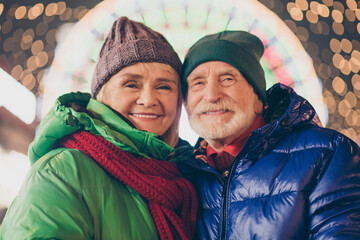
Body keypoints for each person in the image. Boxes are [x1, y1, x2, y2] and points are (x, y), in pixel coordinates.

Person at [0, 17, 197, 240]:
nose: (149, 99)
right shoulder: (62, 173)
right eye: (131, 84)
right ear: (102, 95)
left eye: (164, 86)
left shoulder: (186, 175)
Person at [178, 30, 360, 239]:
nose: (211, 96)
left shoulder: (328, 155)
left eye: (227, 79)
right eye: (198, 83)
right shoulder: (183, 173)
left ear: (258, 99)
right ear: (185, 102)